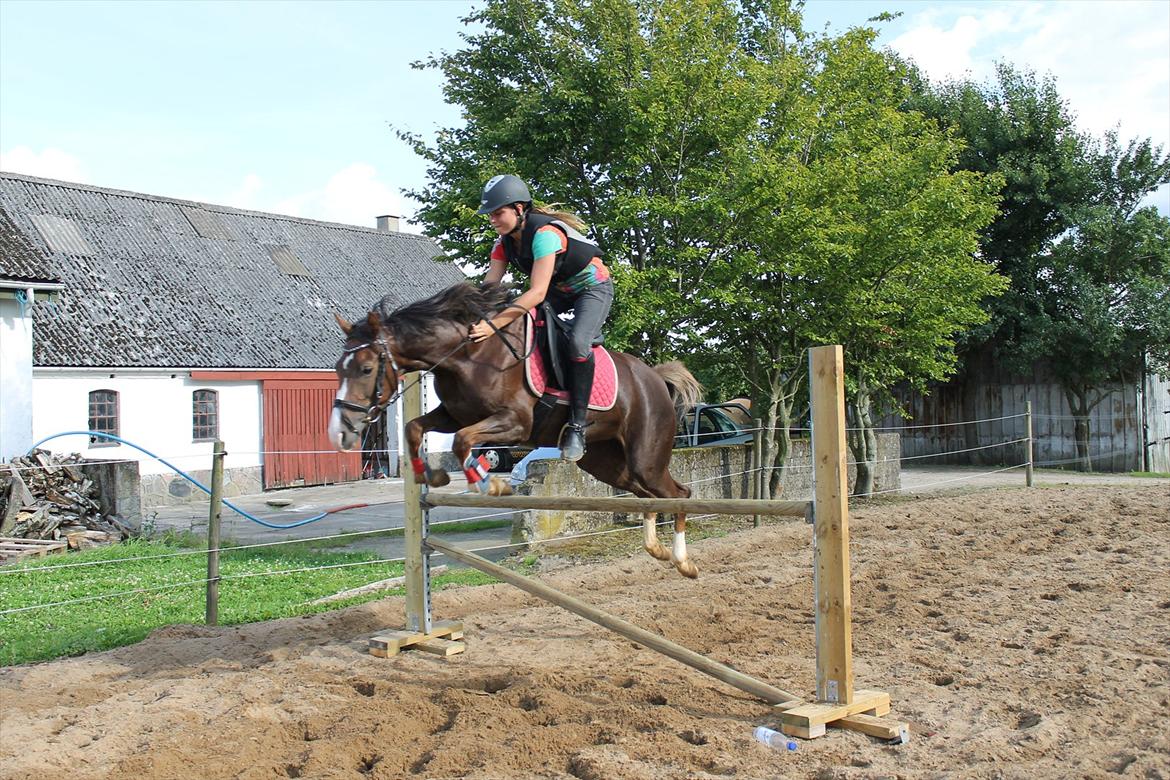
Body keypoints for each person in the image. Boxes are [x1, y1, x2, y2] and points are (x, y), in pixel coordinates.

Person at [468, 174, 613, 462]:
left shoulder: (545, 235)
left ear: (519, 209)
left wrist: (493, 324)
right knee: (519, 330)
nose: (492, 220)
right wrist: (469, 318)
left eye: (498, 213)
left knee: (577, 343)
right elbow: (488, 290)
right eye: (490, 215)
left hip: (591, 288)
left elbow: (535, 294)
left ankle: (577, 425)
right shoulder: (502, 243)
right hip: (557, 290)